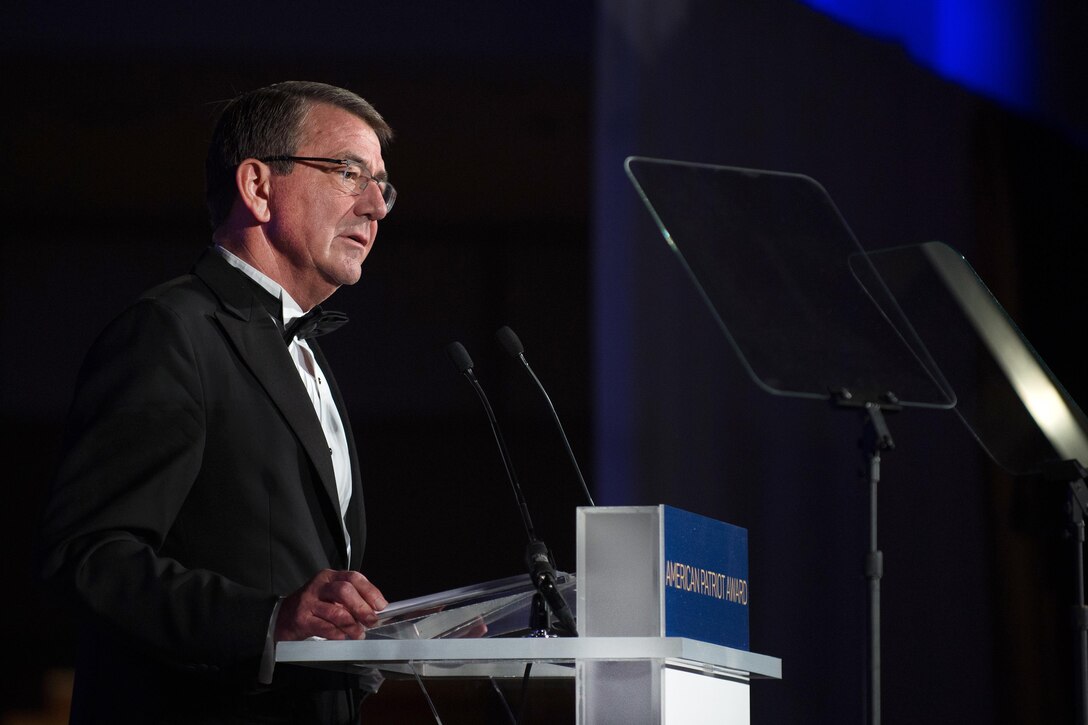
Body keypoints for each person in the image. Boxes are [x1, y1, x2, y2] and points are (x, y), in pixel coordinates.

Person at [38, 81, 396, 724]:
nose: (377, 205)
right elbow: (90, 558)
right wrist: (265, 621)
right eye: (350, 172)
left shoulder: (305, 356)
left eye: (383, 184)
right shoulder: (170, 331)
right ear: (258, 186)